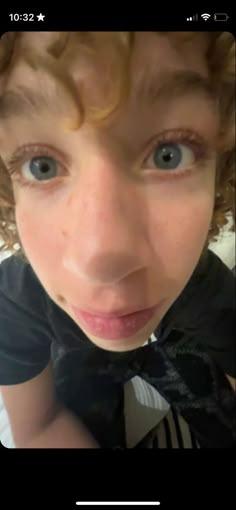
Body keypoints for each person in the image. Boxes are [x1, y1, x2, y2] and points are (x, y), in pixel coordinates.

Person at [0, 31, 235, 449]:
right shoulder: (14, 302)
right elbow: (37, 425)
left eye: (170, 154)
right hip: (74, 352)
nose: (100, 259)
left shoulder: (204, 285)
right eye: (41, 165)